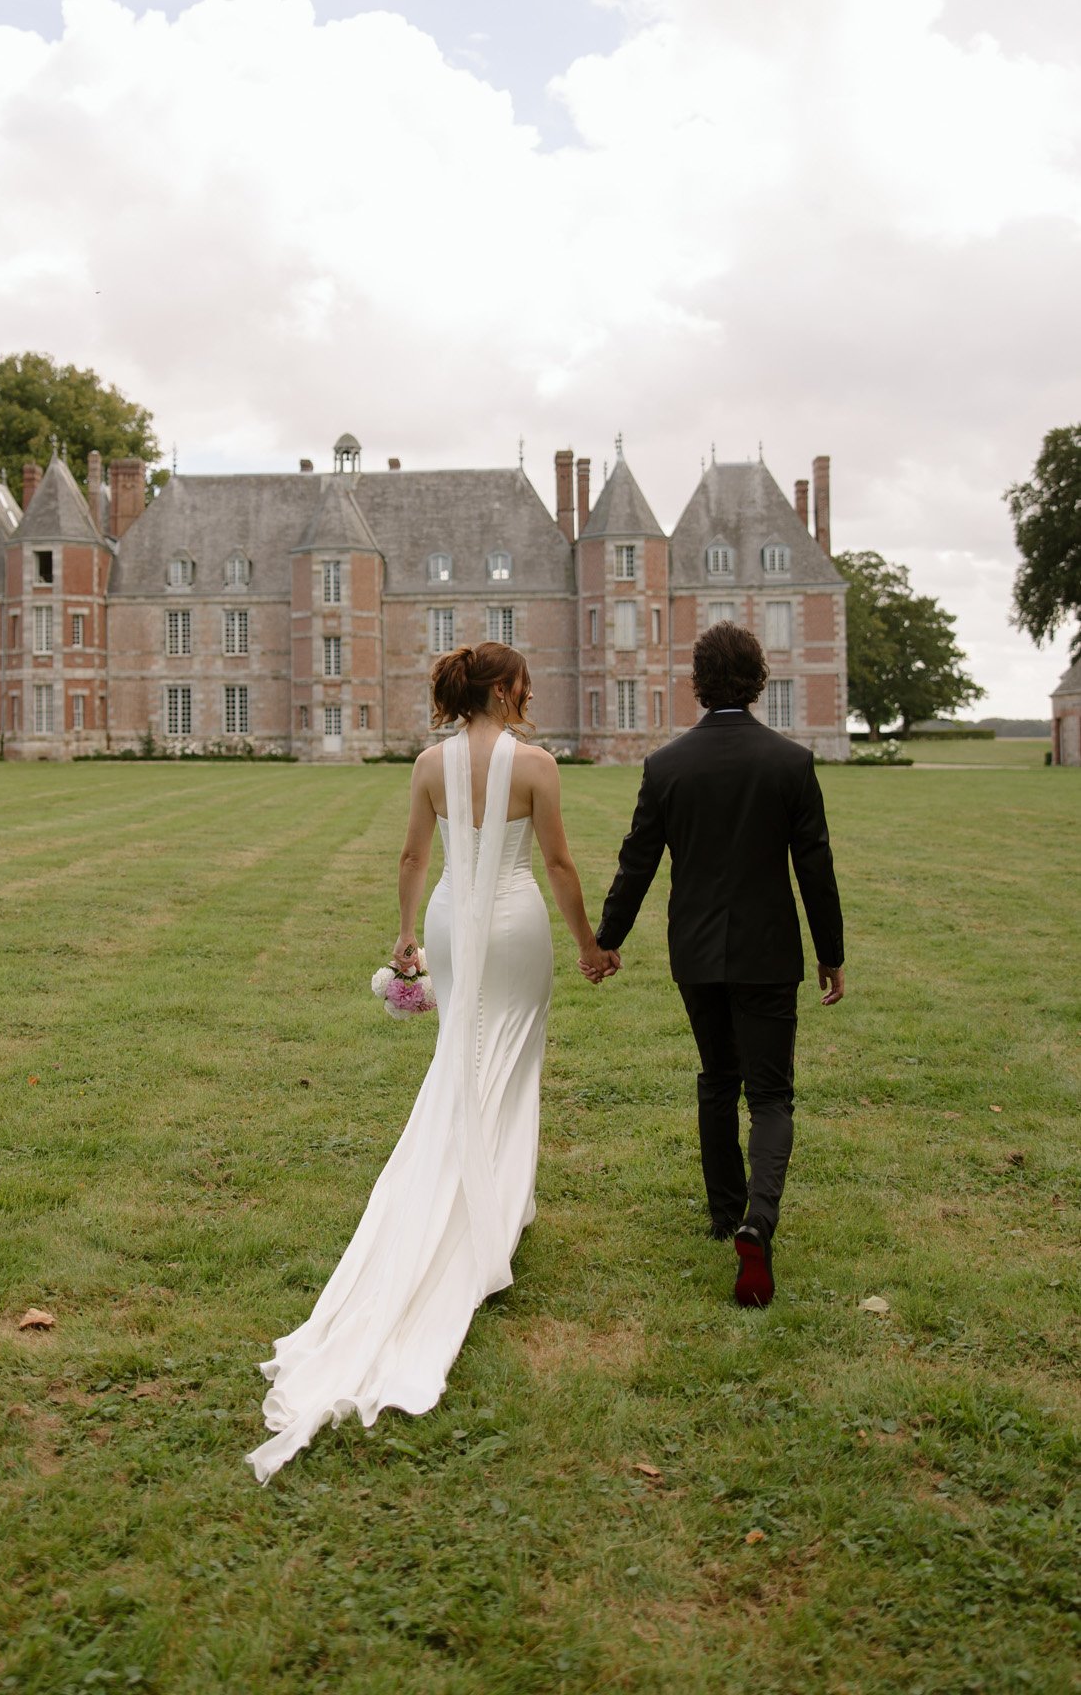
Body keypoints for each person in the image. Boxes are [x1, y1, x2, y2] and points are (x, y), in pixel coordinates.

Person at [247, 642, 609, 1481]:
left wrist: (407, 931)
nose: (529, 690)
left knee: (463, 1058)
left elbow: (413, 857)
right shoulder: (536, 764)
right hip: (515, 924)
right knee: (508, 1061)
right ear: (498, 689)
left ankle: (489, 1206)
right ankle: (494, 1213)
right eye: (521, 680)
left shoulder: (427, 764)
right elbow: (556, 862)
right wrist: (588, 943)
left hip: (450, 916)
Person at [590, 622, 845, 1309]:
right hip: (767, 950)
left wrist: (605, 938)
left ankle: (722, 1211)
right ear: (758, 679)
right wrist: (831, 954)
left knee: (715, 1079)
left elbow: (636, 860)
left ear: (696, 682)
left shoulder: (667, 765)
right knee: (768, 1093)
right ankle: (757, 1219)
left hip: (695, 949)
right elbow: (813, 867)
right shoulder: (788, 762)